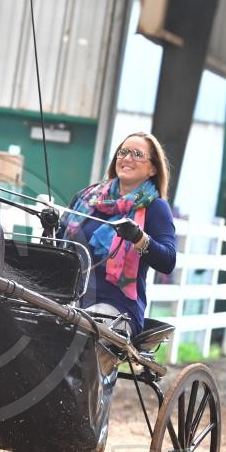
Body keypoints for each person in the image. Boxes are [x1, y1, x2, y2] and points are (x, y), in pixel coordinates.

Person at [59, 132, 177, 336]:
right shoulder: (86, 198)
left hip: (117, 307)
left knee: (79, 334)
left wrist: (139, 237)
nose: (127, 158)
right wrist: (50, 224)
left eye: (137, 154)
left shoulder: (155, 208)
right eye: (123, 152)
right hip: (67, 296)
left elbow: (168, 261)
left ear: (153, 169)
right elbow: (58, 244)